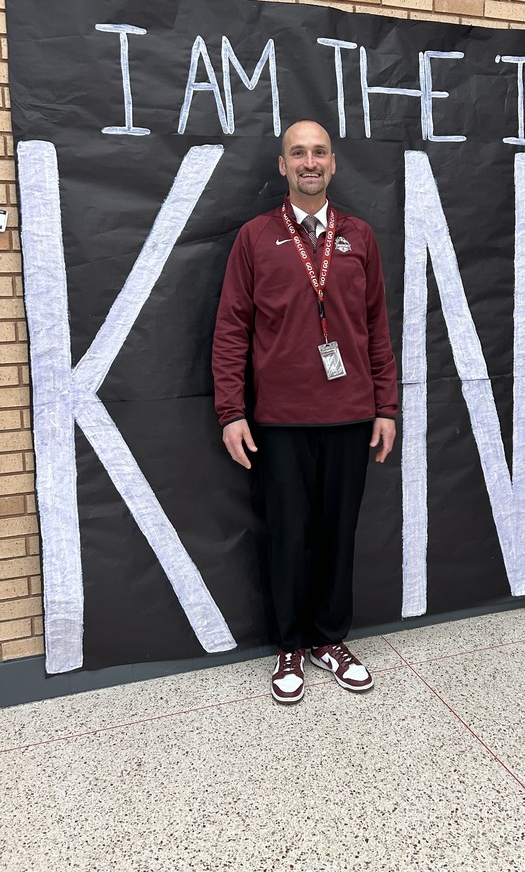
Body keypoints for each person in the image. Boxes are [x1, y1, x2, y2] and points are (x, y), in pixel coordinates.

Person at [212, 120, 398, 703]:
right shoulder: (254, 238)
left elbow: (376, 330)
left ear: (333, 164)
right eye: (299, 153)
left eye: (319, 152)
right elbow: (231, 329)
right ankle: (290, 645)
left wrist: (386, 406)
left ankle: (329, 639)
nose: (309, 162)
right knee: (289, 535)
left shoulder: (360, 237)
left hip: (349, 414)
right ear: (282, 166)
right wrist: (230, 410)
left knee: (337, 534)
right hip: (280, 420)